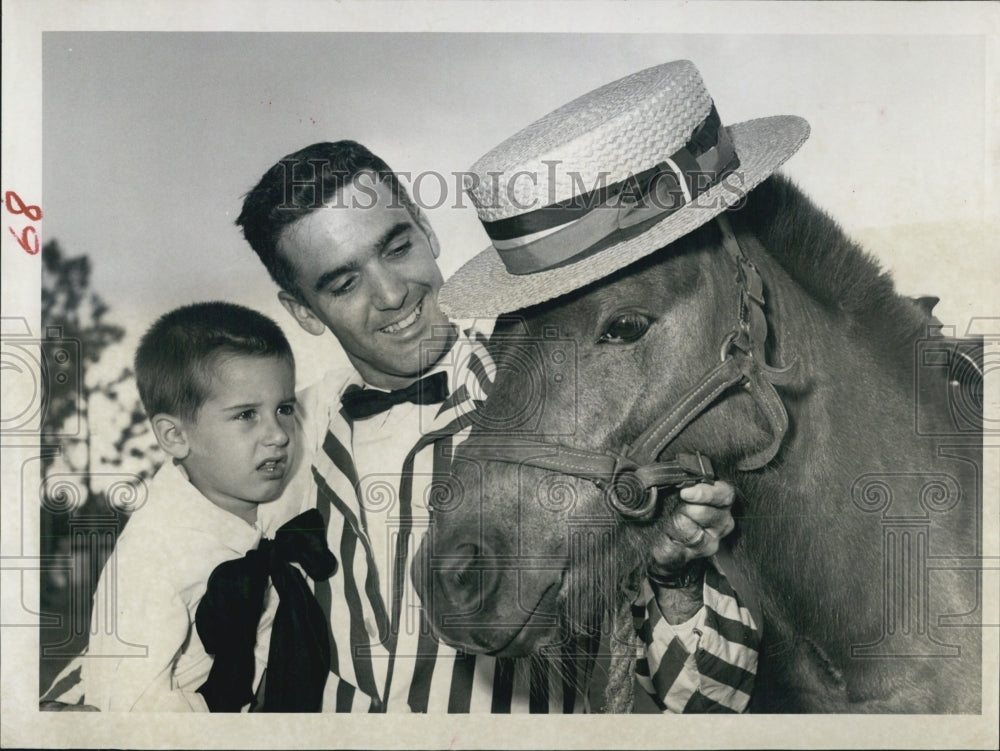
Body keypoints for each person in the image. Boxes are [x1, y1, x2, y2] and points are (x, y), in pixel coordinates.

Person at [237, 138, 757, 713]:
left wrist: (676, 579)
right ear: (304, 311)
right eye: (344, 283)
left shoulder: (576, 402)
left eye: (398, 247)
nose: (391, 293)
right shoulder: (275, 442)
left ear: (428, 232)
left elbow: (711, 702)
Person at [41, 302, 336, 712]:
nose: (278, 435)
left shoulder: (267, 465)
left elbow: (336, 391)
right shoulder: (154, 556)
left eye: (283, 408)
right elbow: (130, 708)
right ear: (176, 436)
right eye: (246, 415)